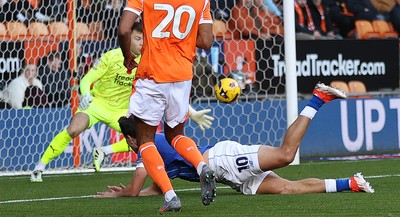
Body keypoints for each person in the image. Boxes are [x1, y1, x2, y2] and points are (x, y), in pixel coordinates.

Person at [97, 83, 375, 199]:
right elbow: (158, 187)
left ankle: (318, 98)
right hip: (228, 176)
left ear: (132, 138)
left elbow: (134, 190)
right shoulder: (155, 147)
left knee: (285, 154)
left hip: (222, 160)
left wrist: (122, 193)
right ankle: (351, 183)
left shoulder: (150, 146)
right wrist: (142, 192)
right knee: (286, 190)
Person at [30, 22, 214, 182]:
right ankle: (40, 166)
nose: (141, 43)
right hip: (97, 104)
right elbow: (87, 79)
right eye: (137, 38)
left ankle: (104, 152)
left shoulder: (149, 62)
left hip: (122, 110)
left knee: (142, 140)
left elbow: (167, 90)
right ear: (129, 39)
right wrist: (85, 94)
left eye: (143, 39)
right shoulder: (112, 56)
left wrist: (191, 112)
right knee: (73, 129)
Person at [118, 0, 216, 212]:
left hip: (153, 74)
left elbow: (124, 29)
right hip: (182, 77)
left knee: (145, 139)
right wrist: (181, 40)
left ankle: (170, 195)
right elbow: (207, 41)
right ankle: (202, 166)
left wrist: (127, 56)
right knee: (175, 135)